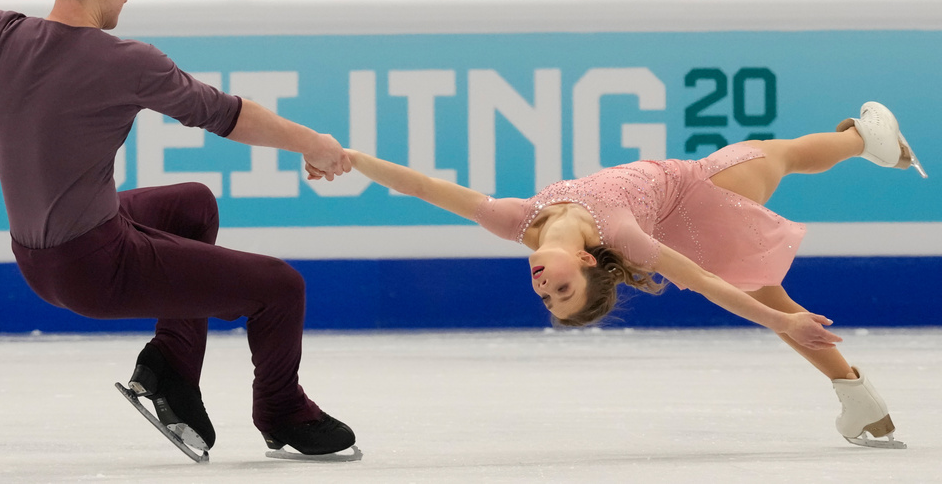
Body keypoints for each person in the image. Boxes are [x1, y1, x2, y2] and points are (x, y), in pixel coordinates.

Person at [0, 0, 359, 460]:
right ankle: (281, 410)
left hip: (37, 261)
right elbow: (227, 115)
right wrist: (312, 142)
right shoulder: (125, 61)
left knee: (193, 203)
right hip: (95, 270)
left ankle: (171, 366)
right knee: (282, 287)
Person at [344, 102, 927, 448]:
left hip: (678, 214)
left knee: (766, 265)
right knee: (776, 156)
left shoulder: (515, 221)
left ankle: (859, 398)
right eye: (563, 292)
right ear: (590, 262)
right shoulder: (621, 236)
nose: (544, 287)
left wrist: (347, 158)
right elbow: (701, 281)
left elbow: (421, 186)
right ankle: (863, 138)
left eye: (546, 295)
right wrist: (780, 321)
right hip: (701, 196)